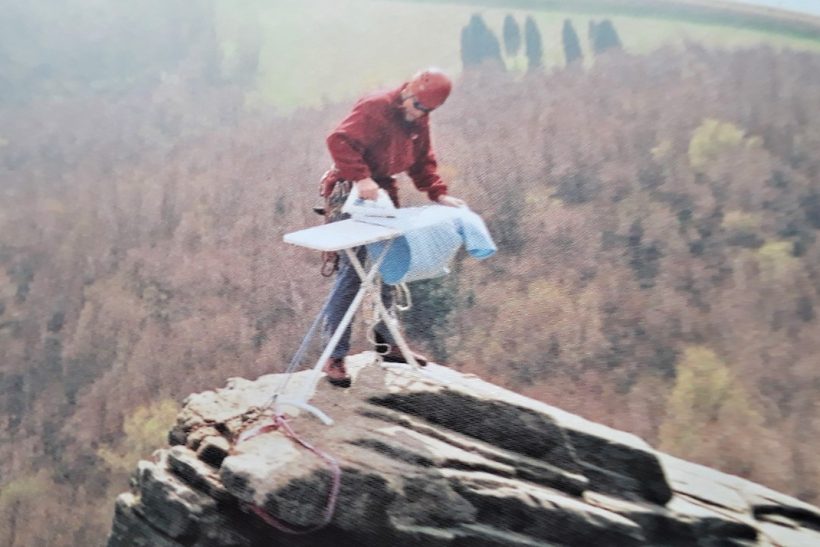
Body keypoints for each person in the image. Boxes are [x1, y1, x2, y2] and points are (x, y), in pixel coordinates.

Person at [319, 68, 467, 387]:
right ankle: (335, 355)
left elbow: (422, 160)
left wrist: (438, 193)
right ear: (409, 92)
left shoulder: (418, 118)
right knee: (353, 273)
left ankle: (388, 344)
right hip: (350, 191)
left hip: (383, 193)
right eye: (418, 108)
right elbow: (338, 141)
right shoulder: (376, 107)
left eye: (427, 111)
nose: (420, 115)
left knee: (390, 267)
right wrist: (361, 177)